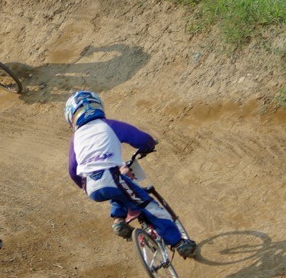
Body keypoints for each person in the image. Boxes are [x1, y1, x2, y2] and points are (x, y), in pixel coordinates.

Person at [65, 91, 197, 258]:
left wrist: (84, 187)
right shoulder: (108, 125)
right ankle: (179, 243)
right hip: (111, 177)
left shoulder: (75, 138)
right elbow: (139, 138)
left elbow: (72, 169)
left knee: (120, 189)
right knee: (150, 206)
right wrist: (148, 145)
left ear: (71, 117)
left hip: (91, 186)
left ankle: (119, 221)